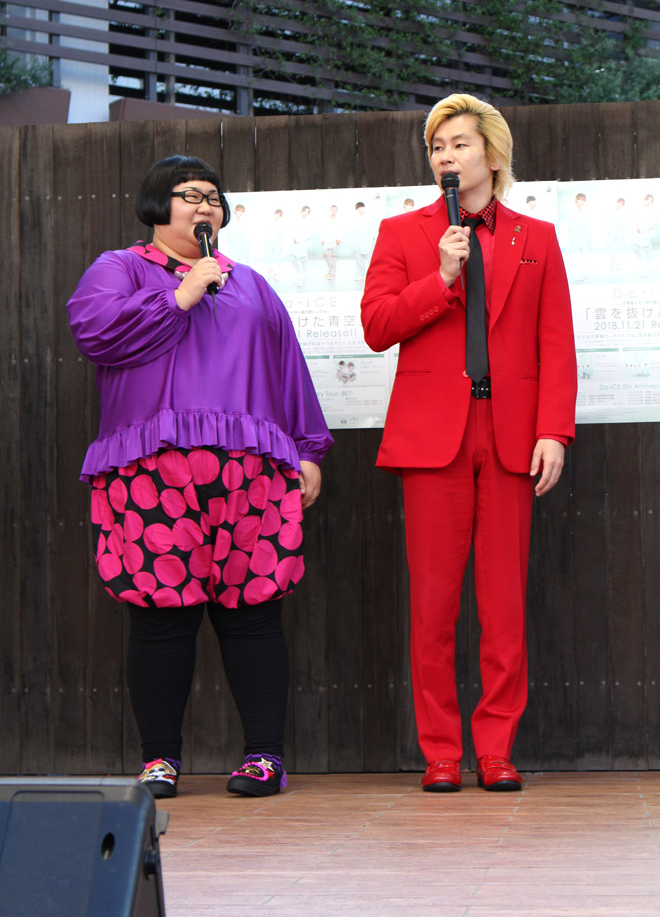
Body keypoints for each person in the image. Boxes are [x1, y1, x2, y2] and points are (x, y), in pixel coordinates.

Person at [67, 155, 333, 800]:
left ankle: (264, 758)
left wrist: (308, 449)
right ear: (157, 205)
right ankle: (160, 760)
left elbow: (288, 367)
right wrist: (180, 295)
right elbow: (95, 333)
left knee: (254, 614)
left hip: (251, 471)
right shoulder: (120, 268)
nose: (205, 206)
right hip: (153, 470)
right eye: (189, 195)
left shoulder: (252, 285)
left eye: (213, 196)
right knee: (160, 617)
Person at [361, 94, 577, 794]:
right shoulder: (403, 233)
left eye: (459, 143)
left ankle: (496, 750)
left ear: (492, 153)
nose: (446, 157)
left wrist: (553, 430)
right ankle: (440, 753)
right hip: (433, 439)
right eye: (437, 147)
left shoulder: (536, 237)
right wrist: (441, 277)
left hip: (511, 434)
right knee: (433, 605)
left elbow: (555, 342)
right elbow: (377, 326)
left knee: (503, 605)